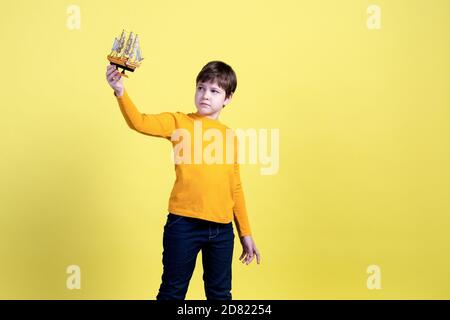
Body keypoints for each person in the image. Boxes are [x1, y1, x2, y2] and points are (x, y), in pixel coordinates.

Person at [105, 60, 261, 300]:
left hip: (221, 230)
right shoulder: (179, 122)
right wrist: (120, 91)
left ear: (228, 98)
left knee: (220, 294)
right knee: (172, 292)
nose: (205, 95)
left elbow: (235, 186)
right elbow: (140, 122)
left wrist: (245, 233)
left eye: (214, 91)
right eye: (201, 88)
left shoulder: (230, 136)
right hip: (184, 225)